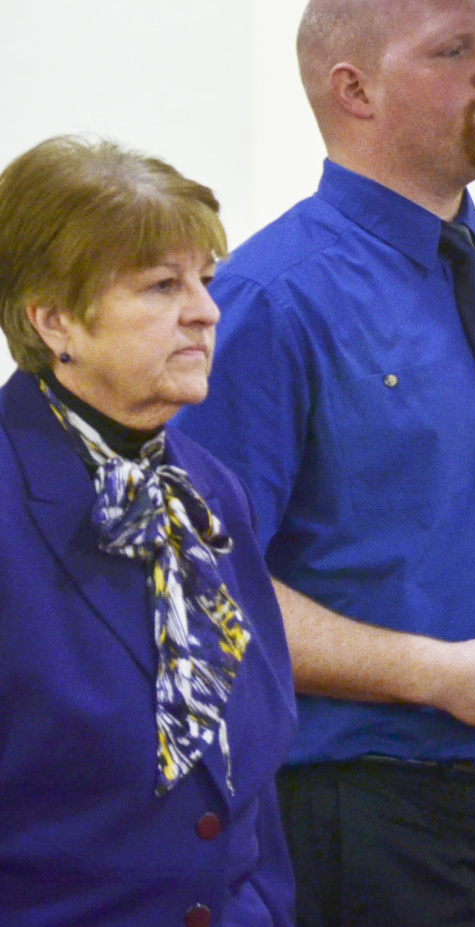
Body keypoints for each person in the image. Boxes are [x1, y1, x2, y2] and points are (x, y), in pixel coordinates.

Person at [175, 0, 475, 927]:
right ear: (353, 88)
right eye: (454, 50)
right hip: (360, 813)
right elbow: (209, 585)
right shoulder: (270, 302)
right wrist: (439, 674)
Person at [0, 135, 296, 927]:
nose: (204, 311)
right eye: (162, 285)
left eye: (203, 279)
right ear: (54, 317)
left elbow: (249, 774)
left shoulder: (207, 489)